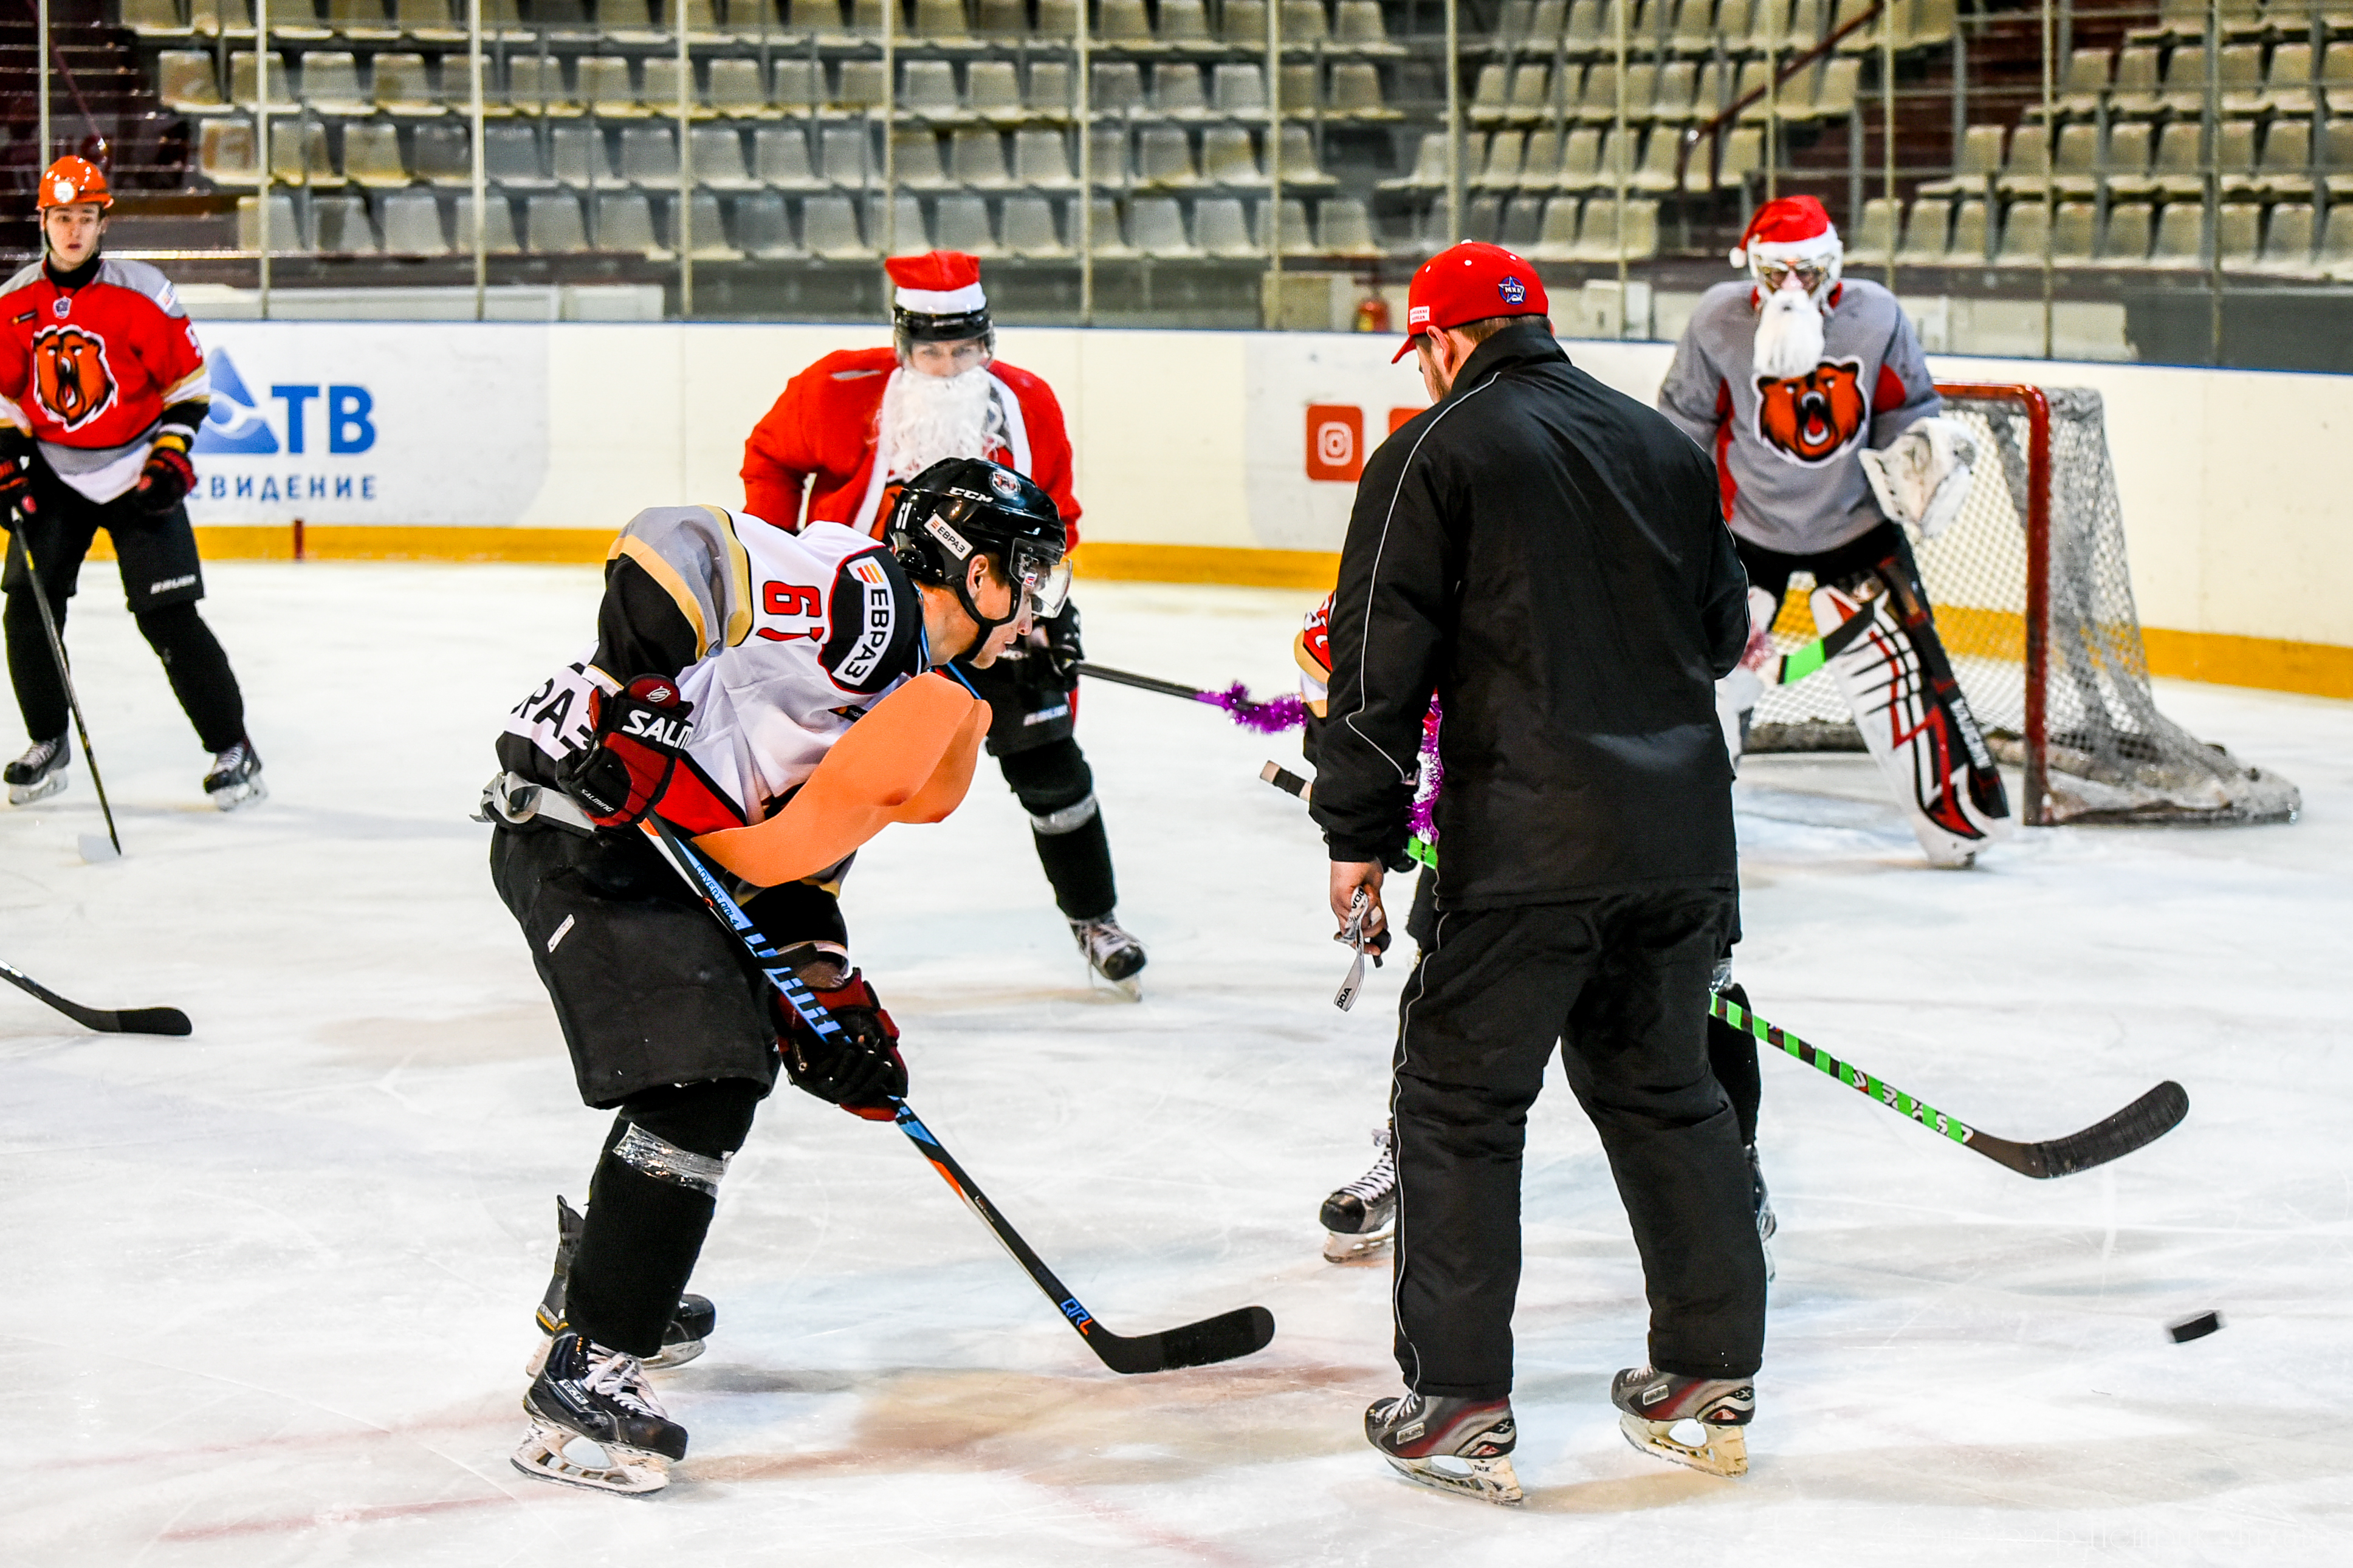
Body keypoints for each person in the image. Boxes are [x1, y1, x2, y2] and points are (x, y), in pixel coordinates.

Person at [481, 458, 1071, 1495]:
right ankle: (589, 1371)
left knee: (720, 1063)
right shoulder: (865, 600)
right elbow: (679, 546)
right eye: (1027, 573)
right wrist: (621, 703)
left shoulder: (910, 686)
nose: (1038, 602)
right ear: (971, 572)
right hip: (579, 823)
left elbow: (792, 857)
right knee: (703, 1077)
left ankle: (609, 1277)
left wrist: (823, 986)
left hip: (658, 846)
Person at [1311, 242, 1767, 1505]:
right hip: (1680, 847)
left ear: (1437, 343)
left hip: (1524, 846)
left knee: (1457, 1106)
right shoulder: (1666, 449)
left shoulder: (1433, 452)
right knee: (1670, 1096)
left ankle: (1457, 1406)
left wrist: (1355, 831)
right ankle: (1705, 1378)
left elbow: (1374, 668)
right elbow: (1726, 633)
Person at [740, 250, 1145, 991]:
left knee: (1051, 763)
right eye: (932, 350)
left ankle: (1095, 917)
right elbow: (770, 459)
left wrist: (1038, 614)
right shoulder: (837, 387)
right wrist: (780, 557)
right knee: (828, 773)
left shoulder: (1026, 403)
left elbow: (1058, 517)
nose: (950, 367)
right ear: (902, 343)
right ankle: (780, 927)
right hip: (871, 613)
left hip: (993, 614)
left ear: (988, 340)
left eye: (967, 349)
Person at [1658, 195, 2006, 869]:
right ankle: (1686, 822)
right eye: (1775, 274)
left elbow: (1907, 410)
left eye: (1809, 274)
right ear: (1749, 268)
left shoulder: (1875, 314)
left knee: (1907, 676)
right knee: (1704, 681)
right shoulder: (1717, 319)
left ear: (1834, 268)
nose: (1792, 289)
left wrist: (1922, 451)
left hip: (1857, 529)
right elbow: (1682, 428)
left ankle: (1957, 821)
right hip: (1742, 536)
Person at [0, 156, 262, 810]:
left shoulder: (142, 291)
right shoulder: (13, 301)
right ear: (45, 221)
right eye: (62, 217)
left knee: (168, 614)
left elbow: (189, 386)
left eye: (85, 217)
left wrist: (171, 458)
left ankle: (233, 748)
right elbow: (3, 397)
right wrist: (6, 465)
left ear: (100, 223)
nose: (73, 230)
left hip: (136, 465)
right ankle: (49, 741)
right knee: (27, 608)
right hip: (57, 469)